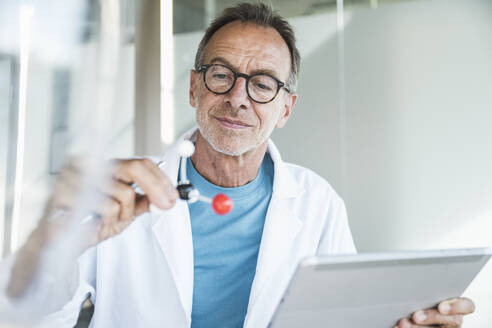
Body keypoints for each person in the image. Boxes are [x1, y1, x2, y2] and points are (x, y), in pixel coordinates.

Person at [3, 3, 475, 328]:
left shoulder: (317, 203)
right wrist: (53, 242)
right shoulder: (119, 191)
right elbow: (28, 316)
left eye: (263, 83)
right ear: (194, 88)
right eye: (222, 75)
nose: (237, 98)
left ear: (285, 108)